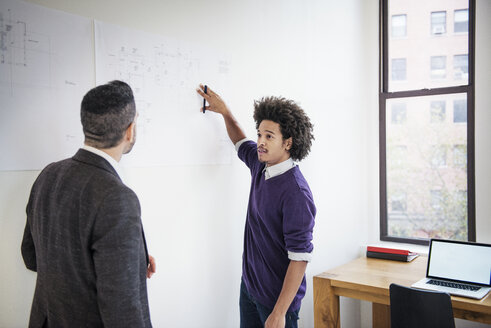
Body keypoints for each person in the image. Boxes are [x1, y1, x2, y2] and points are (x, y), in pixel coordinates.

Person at [21, 80, 155, 327]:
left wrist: (132, 258)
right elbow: (121, 311)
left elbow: (32, 256)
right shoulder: (118, 198)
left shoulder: (48, 175)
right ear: (130, 130)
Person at [197, 85, 316, 328]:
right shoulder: (260, 165)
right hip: (250, 290)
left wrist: (280, 313)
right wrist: (225, 112)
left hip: (276, 302)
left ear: (288, 143)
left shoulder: (297, 194)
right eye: (260, 134)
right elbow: (240, 140)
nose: (260, 142)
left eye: (269, 136)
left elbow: (300, 259)